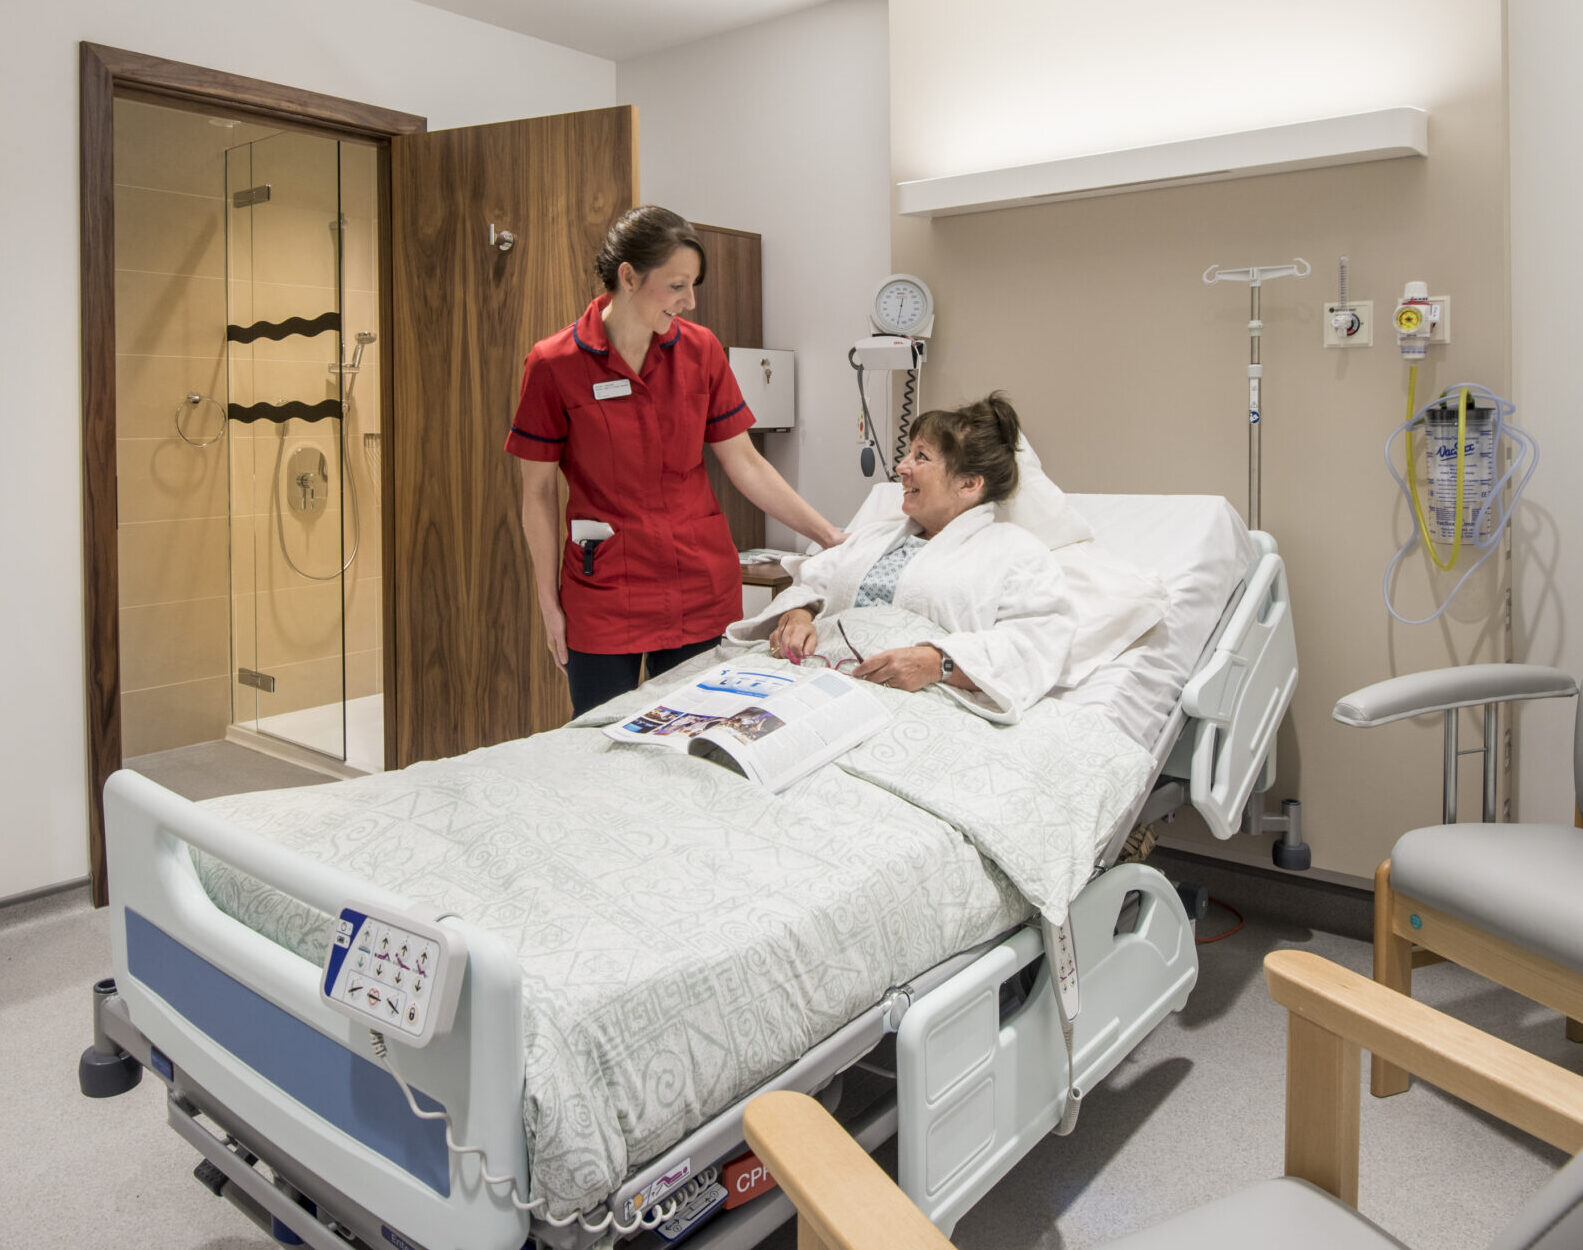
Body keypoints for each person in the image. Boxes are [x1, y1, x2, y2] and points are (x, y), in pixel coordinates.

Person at [506, 205, 845, 717]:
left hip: (698, 584)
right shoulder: (554, 364)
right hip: (605, 590)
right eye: (677, 286)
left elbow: (745, 462)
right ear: (628, 277)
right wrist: (548, 604)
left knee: (698, 733)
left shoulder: (700, 351)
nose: (690, 301)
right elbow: (537, 492)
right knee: (600, 738)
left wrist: (831, 537)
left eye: (693, 286)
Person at [728, 393, 1079, 723]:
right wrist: (797, 615)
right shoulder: (875, 537)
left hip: (916, 701)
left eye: (920, 457)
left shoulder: (1015, 551)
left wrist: (937, 663)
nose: (901, 467)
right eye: (908, 454)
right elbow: (812, 582)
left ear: (969, 484)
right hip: (817, 679)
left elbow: (1034, 643)